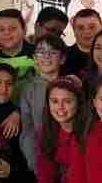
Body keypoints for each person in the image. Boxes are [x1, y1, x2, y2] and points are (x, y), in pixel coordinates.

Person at [37, 77, 86, 183]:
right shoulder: (47, 131)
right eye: (54, 101)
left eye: (67, 101)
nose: (60, 107)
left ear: (78, 103)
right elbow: (45, 173)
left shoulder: (89, 132)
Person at [19, 35, 67, 171]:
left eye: (52, 52)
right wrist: (34, 162)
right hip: (40, 158)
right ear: (34, 58)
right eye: (41, 52)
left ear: (62, 58)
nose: (46, 56)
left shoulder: (71, 85)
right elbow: (28, 129)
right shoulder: (29, 88)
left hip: (68, 157)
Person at [0, 8, 36, 88]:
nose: (6, 33)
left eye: (12, 28)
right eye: (1, 29)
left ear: (24, 30)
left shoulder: (38, 54)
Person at [62, 8, 102, 77]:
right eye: (81, 28)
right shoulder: (63, 58)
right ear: (74, 31)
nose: (86, 32)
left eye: (92, 27)